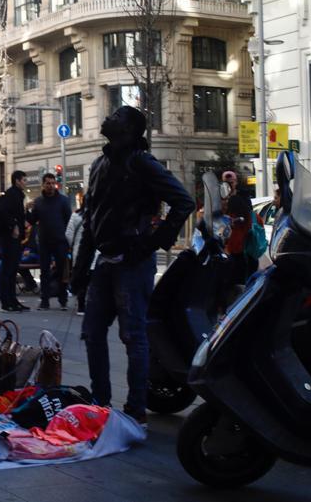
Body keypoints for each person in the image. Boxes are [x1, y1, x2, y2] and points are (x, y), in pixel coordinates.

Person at [71, 106, 194, 425]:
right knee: (93, 332)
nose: (107, 117)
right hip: (105, 262)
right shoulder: (98, 164)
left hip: (132, 263)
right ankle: (100, 403)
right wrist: (81, 269)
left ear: (129, 130)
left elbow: (184, 201)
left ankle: (135, 409)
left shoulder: (142, 163)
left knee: (133, 336)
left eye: (116, 116)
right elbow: (90, 221)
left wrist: (151, 243)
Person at [27, 173, 72, 310]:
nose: (51, 186)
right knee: (44, 272)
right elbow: (32, 221)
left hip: (60, 242)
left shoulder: (63, 201)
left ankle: (62, 299)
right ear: (43, 185)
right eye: (48, 183)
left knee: (61, 271)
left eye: (53, 183)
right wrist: (27, 209)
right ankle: (44, 300)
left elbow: (69, 221)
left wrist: (68, 241)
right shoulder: (39, 202)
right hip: (44, 242)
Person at [0, 170, 29, 312]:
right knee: (8, 270)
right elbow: (3, 211)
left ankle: (13, 301)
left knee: (12, 270)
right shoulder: (12, 194)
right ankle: (6, 302)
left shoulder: (17, 195)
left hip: (15, 238)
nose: (25, 183)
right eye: (24, 180)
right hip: (10, 238)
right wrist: (13, 226)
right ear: (17, 181)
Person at [65, 191, 87, 316]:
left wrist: (72, 245)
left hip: (80, 253)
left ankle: (81, 306)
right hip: (97, 255)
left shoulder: (76, 216)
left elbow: (68, 235)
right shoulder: (98, 215)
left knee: (82, 280)